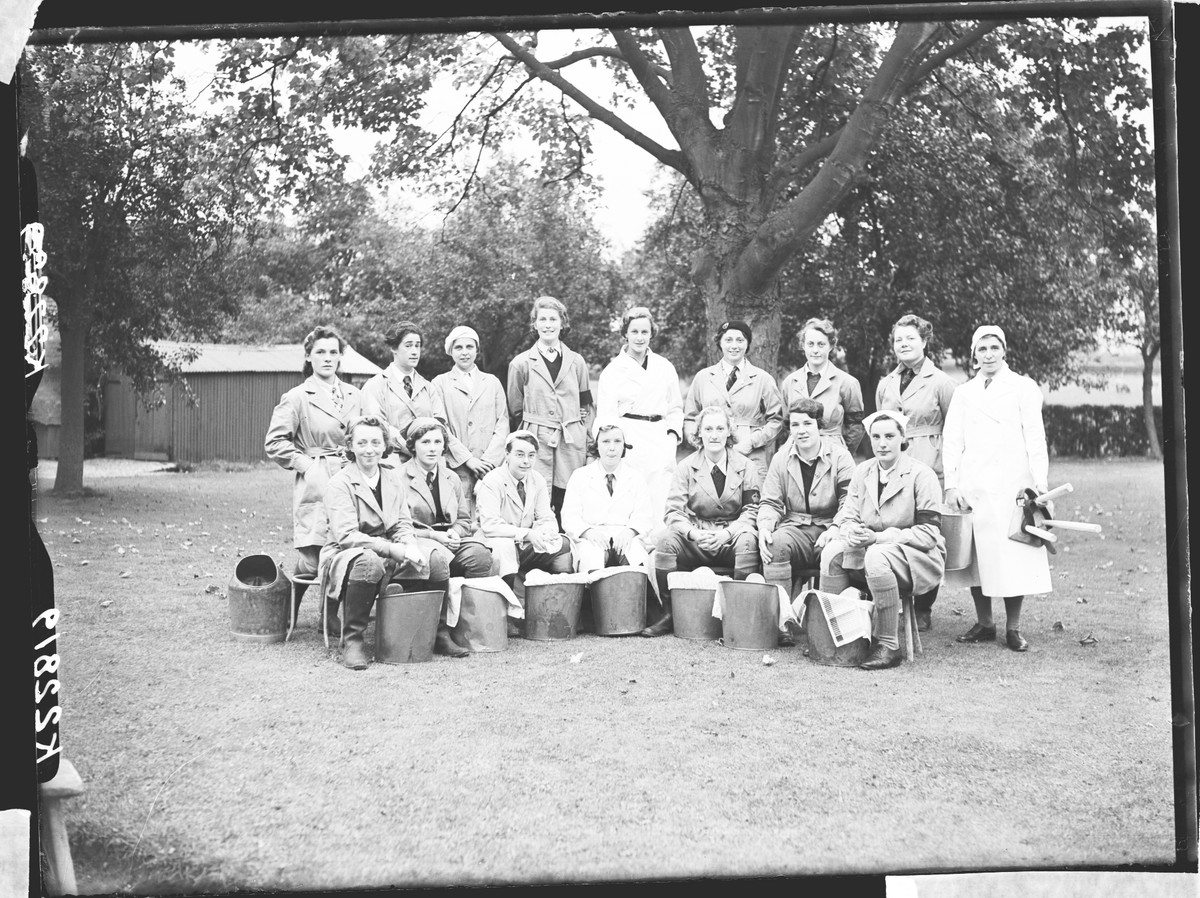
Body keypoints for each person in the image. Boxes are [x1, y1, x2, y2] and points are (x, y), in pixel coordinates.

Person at [943, 325, 1052, 653]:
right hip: (973, 486)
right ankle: (985, 622)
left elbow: (1036, 438)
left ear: (1004, 351)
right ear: (974, 354)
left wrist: (1039, 483)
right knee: (977, 558)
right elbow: (953, 441)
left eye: (994, 348)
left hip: (1012, 486)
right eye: (982, 349)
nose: (988, 354)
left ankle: (1013, 628)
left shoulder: (1023, 387)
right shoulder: (964, 393)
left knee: (1010, 556)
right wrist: (952, 485)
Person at [818, 410, 946, 670]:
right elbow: (849, 515)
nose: (882, 443)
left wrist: (880, 537)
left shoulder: (922, 475)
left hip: (917, 556)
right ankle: (836, 636)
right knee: (832, 552)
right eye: (876, 437)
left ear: (903, 438)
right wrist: (851, 531)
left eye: (889, 436)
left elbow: (929, 535)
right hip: (871, 548)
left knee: (876, 555)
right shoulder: (863, 471)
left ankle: (887, 644)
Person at [264, 325, 364, 632]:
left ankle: (328, 613)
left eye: (334, 352)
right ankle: (290, 606)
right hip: (318, 476)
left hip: (350, 476)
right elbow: (275, 442)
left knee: (343, 543)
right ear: (309, 356)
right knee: (313, 551)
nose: (327, 358)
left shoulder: (354, 394)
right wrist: (306, 465)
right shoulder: (296, 397)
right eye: (320, 352)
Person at [318, 415, 431, 670]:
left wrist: (409, 544)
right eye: (362, 443)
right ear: (350, 446)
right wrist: (392, 549)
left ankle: (431, 633)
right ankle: (353, 640)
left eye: (376, 443)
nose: (369, 449)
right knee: (370, 563)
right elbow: (347, 536)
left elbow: (402, 522)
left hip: (388, 545)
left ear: (385, 445)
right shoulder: (340, 483)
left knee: (433, 558)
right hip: (344, 553)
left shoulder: (392, 479)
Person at [645, 405, 762, 637]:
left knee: (748, 540)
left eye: (720, 428)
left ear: (730, 431)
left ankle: (736, 616)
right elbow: (673, 513)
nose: (714, 435)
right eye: (708, 429)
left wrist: (727, 534)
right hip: (697, 537)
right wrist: (694, 534)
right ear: (699, 433)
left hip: (731, 537)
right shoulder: (686, 467)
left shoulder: (746, 466)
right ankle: (670, 614)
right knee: (666, 541)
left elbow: (751, 510)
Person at [874, 313, 957, 632]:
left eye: (910, 338)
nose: (904, 344)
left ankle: (924, 607)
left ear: (924, 342)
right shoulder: (886, 383)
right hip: (893, 467)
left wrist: (949, 474)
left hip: (929, 464)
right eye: (898, 339)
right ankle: (890, 598)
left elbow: (956, 432)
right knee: (893, 527)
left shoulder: (942, 383)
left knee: (926, 533)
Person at [401, 417, 494, 658]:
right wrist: (435, 536)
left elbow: (464, 520)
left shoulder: (451, 477)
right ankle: (440, 632)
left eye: (437, 442)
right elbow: (396, 526)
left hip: (448, 540)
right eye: (425, 442)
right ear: (413, 446)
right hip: (416, 540)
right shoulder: (398, 478)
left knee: (480, 556)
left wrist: (456, 532)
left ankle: (465, 625)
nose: (432, 448)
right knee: (438, 560)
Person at [476, 430, 575, 636]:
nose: (526, 461)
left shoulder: (536, 479)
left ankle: (556, 610)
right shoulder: (492, 481)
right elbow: (490, 525)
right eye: (519, 454)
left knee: (563, 544)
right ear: (507, 454)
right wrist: (527, 534)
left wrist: (545, 533)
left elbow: (546, 517)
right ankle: (506, 614)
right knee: (503, 547)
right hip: (496, 544)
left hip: (525, 542)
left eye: (531, 455)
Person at [506, 296, 594, 524]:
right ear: (534, 324)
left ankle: (569, 542)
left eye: (553, 319)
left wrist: (581, 427)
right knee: (536, 489)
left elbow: (586, 403)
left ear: (562, 323)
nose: (548, 324)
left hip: (570, 438)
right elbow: (515, 409)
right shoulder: (521, 363)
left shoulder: (577, 362)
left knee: (569, 492)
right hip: (537, 436)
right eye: (542, 319)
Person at [756, 398, 856, 597]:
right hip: (795, 528)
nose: (801, 430)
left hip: (829, 527)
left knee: (836, 551)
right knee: (773, 544)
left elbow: (851, 501)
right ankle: (782, 619)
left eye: (807, 423)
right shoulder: (780, 459)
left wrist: (837, 527)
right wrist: (765, 527)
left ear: (819, 425)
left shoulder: (840, 457)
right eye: (795, 425)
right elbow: (770, 502)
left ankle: (828, 620)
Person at [594, 306, 684, 518]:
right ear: (625, 333)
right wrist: (615, 445)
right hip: (629, 439)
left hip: (659, 438)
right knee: (631, 495)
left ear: (652, 333)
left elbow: (675, 407)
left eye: (645, 332)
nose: (639, 337)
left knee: (661, 495)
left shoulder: (664, 366)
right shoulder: (613, 371)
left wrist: (671, 437)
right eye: (634, 331)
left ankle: (659, 547)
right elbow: (606, 414)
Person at [682, 319, 783, 482]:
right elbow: (690, 417)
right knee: (713, 503)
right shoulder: (703, 377)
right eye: (728, 340)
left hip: (751, 457)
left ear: (747, 344)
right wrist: (702, 443)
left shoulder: (763, 379)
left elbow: (777, 420)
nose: (734, 346)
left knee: (753, 504)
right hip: (710, 458)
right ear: (720, 343)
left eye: (740, 340)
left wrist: (752, 441)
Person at [431, 325, 509, 520]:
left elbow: (503, 423)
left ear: (477, 350)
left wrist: (488, 461)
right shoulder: (439, 383)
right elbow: (441, 428)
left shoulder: (492, 382)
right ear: (450, 351)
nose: (464, 352)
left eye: (469, 347)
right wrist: (468, 459)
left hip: (490, 467)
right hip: (457, 465)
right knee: (461, 515)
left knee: (491, 516)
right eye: (458, 348)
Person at [361, 322, 467, 462]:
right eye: (408, 345)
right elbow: (378, 426)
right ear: (394, 348)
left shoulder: (428, 387)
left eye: (417, 345)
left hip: (428, 465)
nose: (414, 351)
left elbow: (441, 426)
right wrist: (413, 449)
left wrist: (467, 458)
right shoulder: (375, 385)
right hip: (393, 464)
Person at [560, 419, 656, 573]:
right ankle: (595, 596)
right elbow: (569, 517)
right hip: (591, 538)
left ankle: (632, 595)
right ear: (596, 445)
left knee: (635, 558)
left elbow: (644, 516)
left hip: (625, 537)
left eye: (617, 441)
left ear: (624, 445)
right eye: (605, 441)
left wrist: (630, 531)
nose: (612, 448)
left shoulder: (636, 477)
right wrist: (588, 532)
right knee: (592, 558)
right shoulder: (580, 476)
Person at [780, 317, 865, 455]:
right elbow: (786, 423)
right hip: (796, 453)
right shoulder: (789, 382)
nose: (815, 350)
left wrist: (842, 454)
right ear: (803, 345)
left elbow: (855, 426)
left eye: (821, 344)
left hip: (832, 454)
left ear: (831, 346)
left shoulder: (848, 383)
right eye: (810, 344)